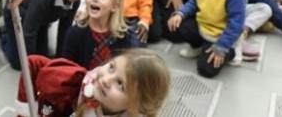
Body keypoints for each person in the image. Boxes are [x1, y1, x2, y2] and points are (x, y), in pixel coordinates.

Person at [15, 49, 170, 117]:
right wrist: (26, 111)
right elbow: (33, 63)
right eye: (111, 67)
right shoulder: (73, 82)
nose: (106, 80)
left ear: (135, 105)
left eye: (120, 84)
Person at [1, 0, 91, 70]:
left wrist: (60, 62)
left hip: (41, 21)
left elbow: (64, 31)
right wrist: (31, 66)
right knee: (20, 64)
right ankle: (4, 35)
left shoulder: (74, 0)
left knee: (44, 59)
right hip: (16, 16)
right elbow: (28, 33)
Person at [61, 0, 137, 68]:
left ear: (115, 6)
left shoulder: (125, 35)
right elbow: (65, 69)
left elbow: (127, 71)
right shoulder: (74, 33)